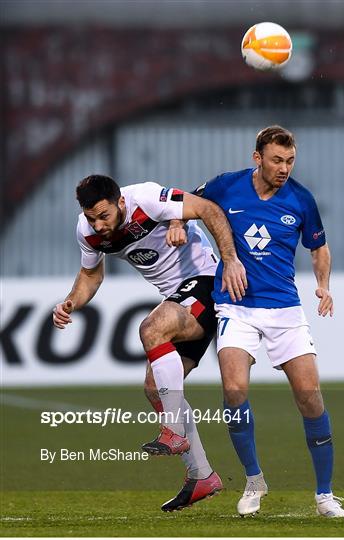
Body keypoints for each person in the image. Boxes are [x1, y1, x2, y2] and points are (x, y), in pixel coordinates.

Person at [52, 174, 247, 512]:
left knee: (151, 329)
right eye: (91, 217)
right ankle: (201, 475)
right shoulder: (87, 232)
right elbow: (90, 275)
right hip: (178, 299)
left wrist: (228, 259)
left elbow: (209, 208)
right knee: (155, 388)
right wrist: (70, 302)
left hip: (206, 284)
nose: (98, 224)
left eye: (104, 215)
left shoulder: (146, 197)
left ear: (121, 203)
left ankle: (172, 429)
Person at [197, 125, 344, 518]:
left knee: (310, 395)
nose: (284, 168)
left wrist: (323, 285)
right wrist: (180, 222)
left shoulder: (301, 199)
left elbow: (319, 247)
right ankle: (253, 480)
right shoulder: (227, 186)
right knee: (233, 389)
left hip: (284, 309)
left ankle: (325, 496)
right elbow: (187, 201)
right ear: (257, 158)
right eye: (277, 160)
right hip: (236, 307)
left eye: (290, 160)